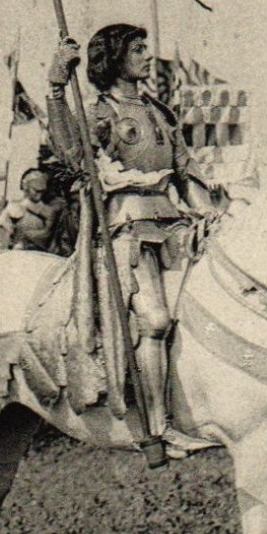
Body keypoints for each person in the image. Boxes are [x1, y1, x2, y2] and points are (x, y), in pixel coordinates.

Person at [47, 25, 201, 451]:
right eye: (137, 49)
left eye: (145, 48)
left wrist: (216, 212)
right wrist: (58, 89)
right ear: (115, 58)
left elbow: (187, 175)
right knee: (155, 320)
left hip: (176, 226)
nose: (147, 56)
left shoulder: (161, 113)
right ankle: (158, 427)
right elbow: (72, 154)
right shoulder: (102, 114)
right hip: (125, 230)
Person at [0, 167, 64, 253]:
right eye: (36, 191)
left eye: (42, 191)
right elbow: (3, 229)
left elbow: (48, 235)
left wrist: (26, 234)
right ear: (26, 187)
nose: (39, 195)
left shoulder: (49, 211)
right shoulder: (14, 207)